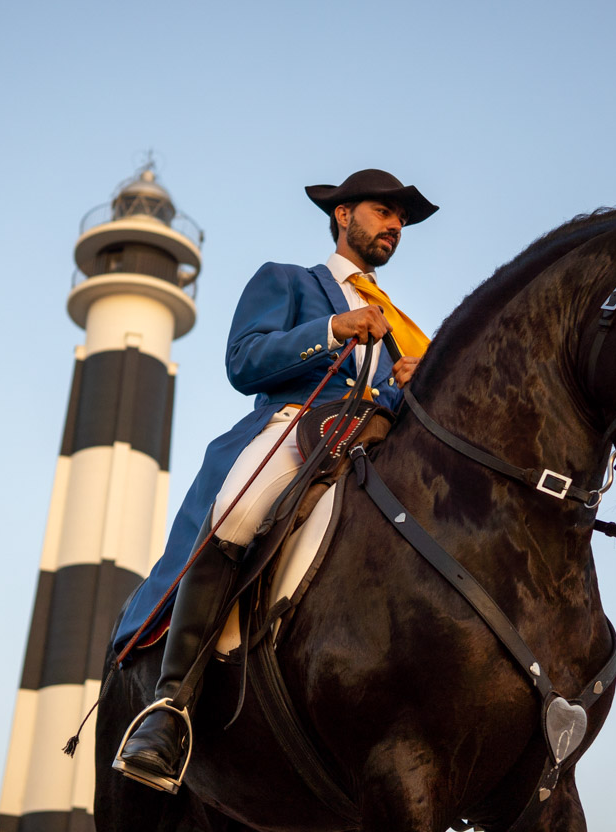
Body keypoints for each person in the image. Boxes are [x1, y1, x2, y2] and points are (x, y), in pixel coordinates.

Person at [113, 168, 439, 791]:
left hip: (376, 443)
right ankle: (170, 708)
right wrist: (331, 330)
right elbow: (245, 360)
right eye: (383, 211)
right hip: (298, 428)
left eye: (402, 219)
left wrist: (412, 377)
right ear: (343, 217)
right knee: (237, 515)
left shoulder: (402, 321)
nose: (395, 226)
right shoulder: (289, 281)